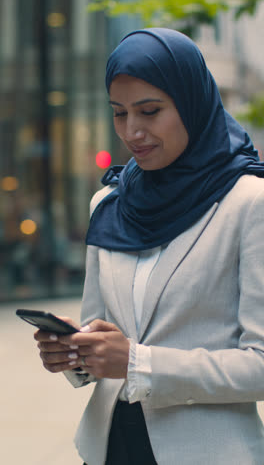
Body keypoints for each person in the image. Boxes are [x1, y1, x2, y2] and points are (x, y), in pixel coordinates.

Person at [34, 28, 264, 465]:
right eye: (119, 114)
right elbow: (101, 331)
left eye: (150, 111)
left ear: (191, 103)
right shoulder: (110, 202)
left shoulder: (250, 203)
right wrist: (75, 352)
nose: (132, 131)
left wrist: (139, 363)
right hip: (107, 448)